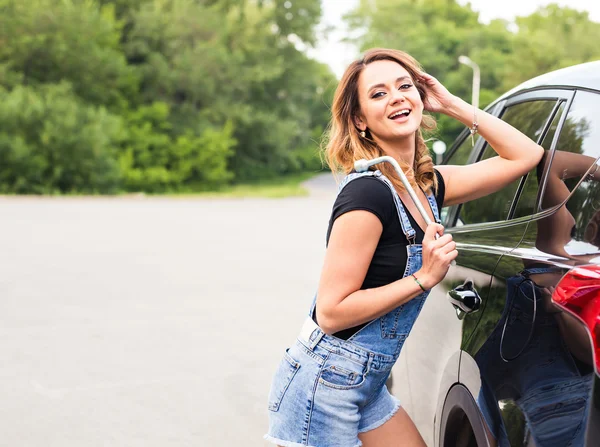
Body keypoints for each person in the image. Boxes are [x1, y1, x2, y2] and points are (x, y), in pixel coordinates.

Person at [264, 48, 544, 447]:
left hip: (365, 385)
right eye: (378, 94)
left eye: (404, 86)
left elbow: (526, 155)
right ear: (359, 120)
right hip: (324, 386)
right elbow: (330, 313)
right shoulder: (367, 195)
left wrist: (451, 104)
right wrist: (423, 278)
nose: (396, 96)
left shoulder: (426, 186)